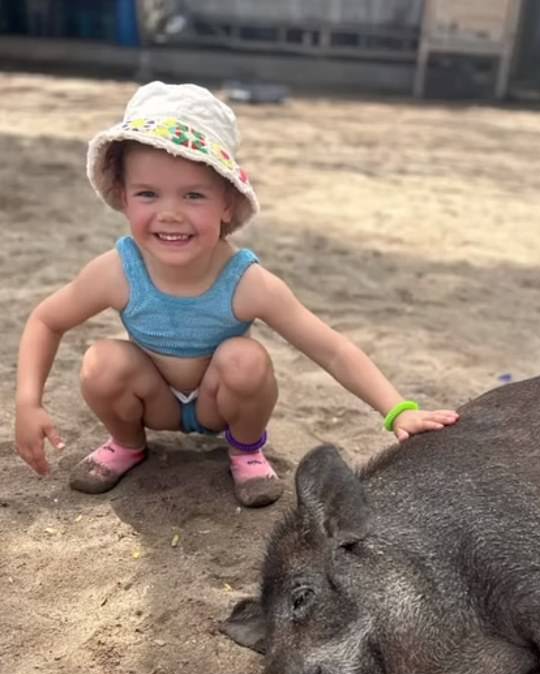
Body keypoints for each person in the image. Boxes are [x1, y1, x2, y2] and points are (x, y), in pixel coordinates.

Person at [15, 82, 458, 508]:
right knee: (101, 361)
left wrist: (397, 410)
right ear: (124, 198)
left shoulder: (246, 281)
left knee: (245, 358)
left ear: (227, 203)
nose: (170, 213)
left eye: (193, 195)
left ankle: (246, 452)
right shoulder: (117, 270)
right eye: (148, 194)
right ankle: (128, 445)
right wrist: (27, 403)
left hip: (219, 403)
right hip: (155, 399)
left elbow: (333, 349)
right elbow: (46, 320)